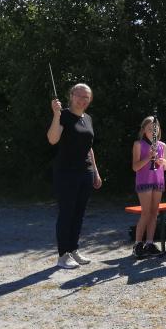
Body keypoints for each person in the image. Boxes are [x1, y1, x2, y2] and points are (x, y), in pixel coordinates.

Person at [46, 83, 102, 269]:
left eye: (86, 97)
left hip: (85, 172)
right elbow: (53, 139)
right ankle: (63, 256)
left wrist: (95, 171)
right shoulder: (63, 116)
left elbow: (89, 147)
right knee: (66, 214)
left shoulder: (88, 119)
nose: (82, 99)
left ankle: (74, 249)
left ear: (90, 100)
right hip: (66, 173)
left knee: (79, 214)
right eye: (79, 95)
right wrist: (56, 115)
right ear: (71, 96)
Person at [131, 116, 166, 258]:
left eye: (155, 128)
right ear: (144, 130)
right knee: (146, 213)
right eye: (149, 129)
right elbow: (135, 167)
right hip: (144, 182)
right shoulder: (138, 144)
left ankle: (150, 243)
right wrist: (148, 157)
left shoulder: (162, 145)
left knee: (154, 214)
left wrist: (163, 162)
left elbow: (165, 167)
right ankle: (138, 244)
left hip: (158, 181)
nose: (153, 130)